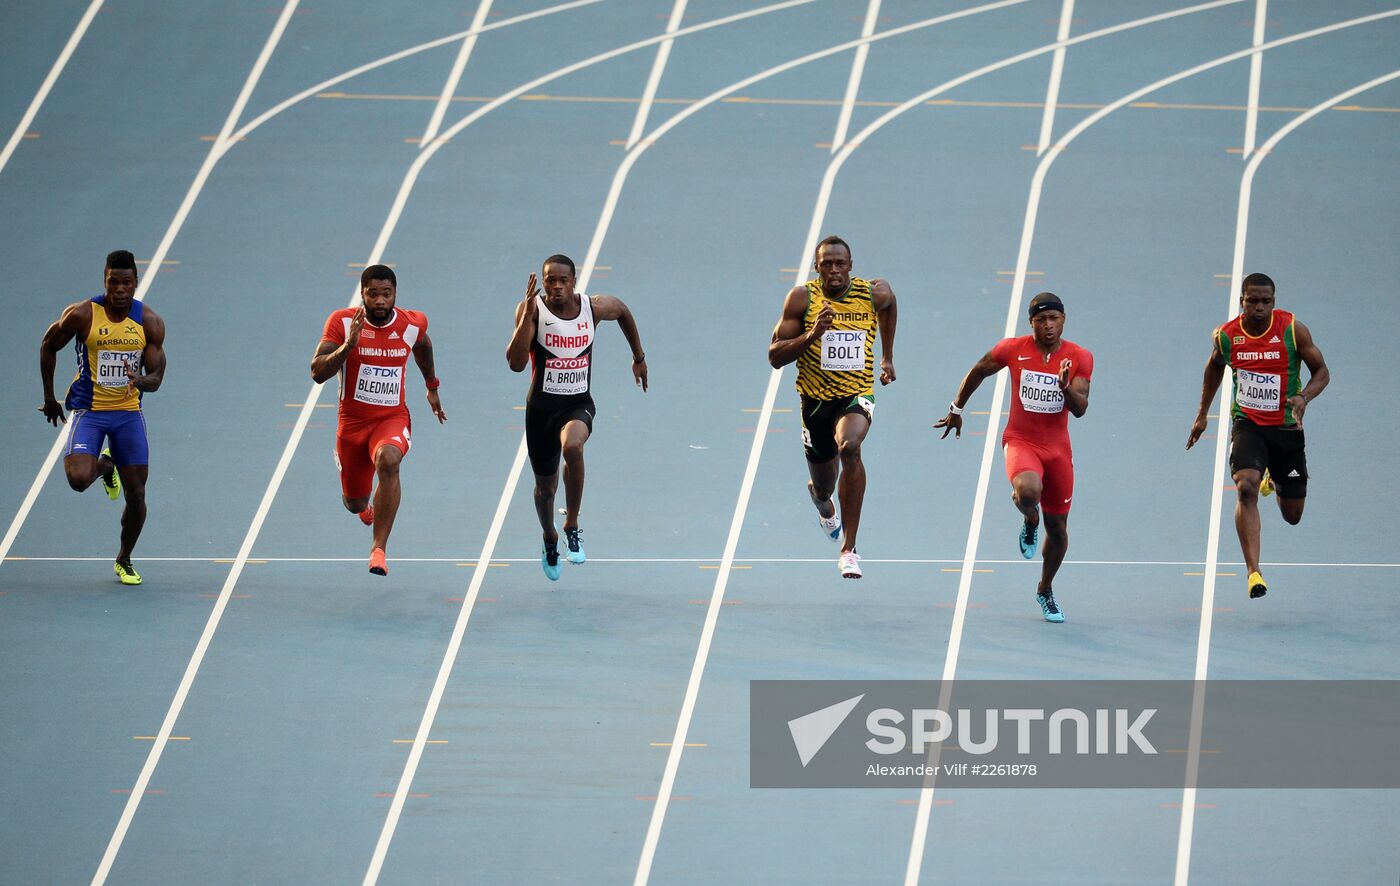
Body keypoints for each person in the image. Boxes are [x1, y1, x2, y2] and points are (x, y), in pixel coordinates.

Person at [935, 292, 1092, 623]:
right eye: (1041, 320)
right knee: (1027, 491)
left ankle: (1045, 589)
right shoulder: (1012, 349)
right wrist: (956, 408)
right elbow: (979, 370)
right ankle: (1029, 518)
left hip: (1058, 449)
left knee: (1060, 530)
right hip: (1021, 440)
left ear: (1064, 320)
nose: (1048, 326)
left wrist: (1064, 388)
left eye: (1054, 319)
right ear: (1031, 323)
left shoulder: (1080, 356)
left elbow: (1080, 410)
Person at [1186, 272, 1328, 599]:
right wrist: (1202, 414)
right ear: (1242, 302)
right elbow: (1214, 367)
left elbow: (1322, 371)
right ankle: (1253, 571)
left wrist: (1303, 397)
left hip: (1286, 428)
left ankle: (1275, 478)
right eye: (1253, 301)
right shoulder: (1226, 336)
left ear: (1273, 303)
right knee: (1245, 486)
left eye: (1266, 301)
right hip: (1247, 423)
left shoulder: (1292, 330)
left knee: (1292, 516)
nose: (1260, 307)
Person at [506, 254, 647, 581]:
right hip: (540, 410)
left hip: (577, 404)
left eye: (562, 280)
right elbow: (515, 364)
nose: (556, 286)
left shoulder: (592, 308)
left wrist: (638, 357)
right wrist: (527, 317)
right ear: (543, 283)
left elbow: (623, 310)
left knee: (573, 447)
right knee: (544, 489)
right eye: (550, 280)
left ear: (574, 281)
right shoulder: (532, 310)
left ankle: (572, 523)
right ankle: (549, 536)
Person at [768, 235, 897, 580]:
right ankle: (822, 502)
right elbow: (775, 356)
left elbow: (890, 304)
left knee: (850, 447)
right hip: (814, 403)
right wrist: (812, 335)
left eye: (841, 263)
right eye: (827, 264)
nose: (835, 270)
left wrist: (887, 357)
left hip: (855, 394)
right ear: (817, 267)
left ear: (851, 266)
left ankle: (849, 550)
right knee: (824, 486)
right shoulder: (802, 299)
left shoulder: (872, 293)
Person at [38, 249, 167, 585]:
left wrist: (142, 382)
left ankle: (124, 559)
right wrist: (49, 397)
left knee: (137, 494)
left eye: (126, 283)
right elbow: (49, 345)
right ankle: (106, 466)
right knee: (79, 479)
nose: (120, 289)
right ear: (105, 282)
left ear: (136, 284)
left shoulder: (149, 322)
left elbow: (157, 375)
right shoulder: (82, 315)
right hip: (90, 412)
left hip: (127, 414)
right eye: (113, 283)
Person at [312, 265, 444, 576]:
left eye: (387, 294)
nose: (380, 301)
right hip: (353, 426)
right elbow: (317, 372)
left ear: (395, 294)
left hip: (391, 418)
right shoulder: (342, 322)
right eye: (373, 294)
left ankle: (379, 549)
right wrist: (348, 347)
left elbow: (423, 346)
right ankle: (366, 508)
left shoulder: (412, 323)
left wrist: (432, 387)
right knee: (354, 503)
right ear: (363, 294)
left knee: (389, 460)